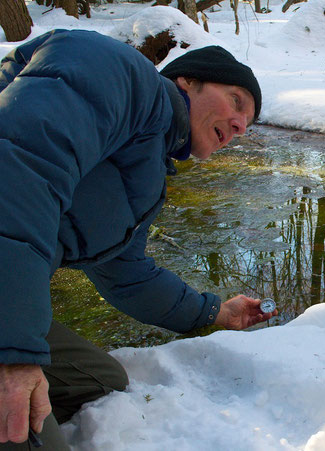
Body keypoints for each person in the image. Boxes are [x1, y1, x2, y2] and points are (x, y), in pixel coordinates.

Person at [0, 29, 274, 449]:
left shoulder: (144, 170)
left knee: (98, 380)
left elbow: (127, 275)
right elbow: (18, 171)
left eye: (245, 126)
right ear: (188, 81)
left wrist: (218, 312)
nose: (238, 127)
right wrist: (15, 351)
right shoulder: (117, 72)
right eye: (236, 101)